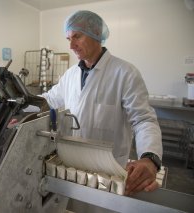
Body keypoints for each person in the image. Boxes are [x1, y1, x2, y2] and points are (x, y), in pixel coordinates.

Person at [41, 10, 163, 196]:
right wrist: (19, 100)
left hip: (109, 171)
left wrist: (149, 158)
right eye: (69, 39)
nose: (72, 45)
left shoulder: (125, 73)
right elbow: (49, 101)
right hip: (71, 166)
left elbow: (144, 120)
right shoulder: (71, 74)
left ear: (96, 34)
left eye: (77, 37)